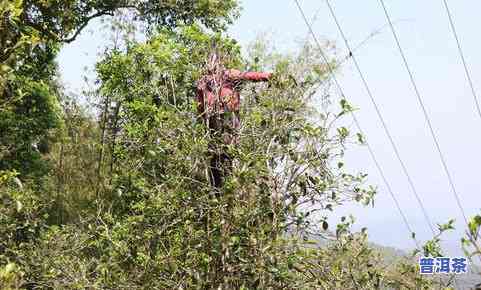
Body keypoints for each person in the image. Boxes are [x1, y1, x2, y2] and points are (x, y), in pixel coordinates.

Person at [196, 52, 272, 188]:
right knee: (214, 155)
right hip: (212, 120)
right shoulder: (203, 82)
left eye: (214, 62)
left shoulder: (228, 74)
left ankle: (227, 184)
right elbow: (200, 105)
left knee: (227, 154)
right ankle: (217, 190)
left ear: (219, 63)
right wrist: (204, 123)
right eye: (209, 62)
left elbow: (247, 76)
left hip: (228, 116)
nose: (211, 65)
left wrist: (267, 76)